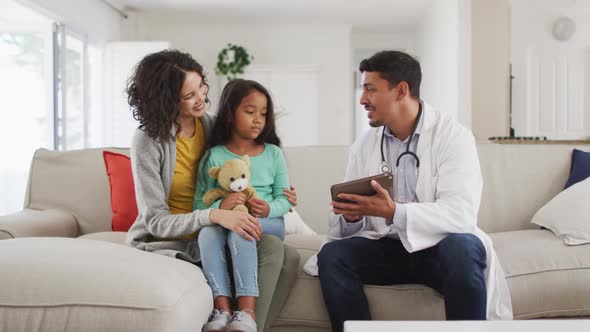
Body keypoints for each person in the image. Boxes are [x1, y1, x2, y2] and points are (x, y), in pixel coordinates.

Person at [307, 50, 513, 332]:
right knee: (333, 255)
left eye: (370, 89)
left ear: (401, 90)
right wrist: (353, 216)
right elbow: (348, 225)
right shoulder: (365, 145)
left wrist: (394, 211)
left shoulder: (454, 137)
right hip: (389, 247)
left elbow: (461, 213)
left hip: (440, 249)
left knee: (463, 247)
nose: (362, 100)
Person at [124, 49, 300, 332]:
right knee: (276, 255)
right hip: (176, 238)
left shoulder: (210, 124)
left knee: (289, 257)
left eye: (201, 88)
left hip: (221, 229)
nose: (202, 99)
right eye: (189, 95)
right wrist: (214, 215)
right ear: (166, 100)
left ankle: (245, 324)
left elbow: (242, 170)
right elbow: (155, 220)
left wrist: (280, 197)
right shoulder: (148, 140)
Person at [194, 79, 292, 332]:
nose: (258, 119)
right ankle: (222, 308)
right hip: (226, 219)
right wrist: (222, 204)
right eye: (250, 112)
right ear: (230, 113)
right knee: (207, 233)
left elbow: (284, 200)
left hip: (267, 222)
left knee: (242, 227)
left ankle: (247, 311)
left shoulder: (273, 153)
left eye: (263, 113)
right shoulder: (214, 155)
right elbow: (199, 203)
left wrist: (268, 208)